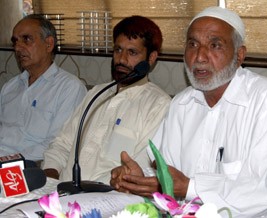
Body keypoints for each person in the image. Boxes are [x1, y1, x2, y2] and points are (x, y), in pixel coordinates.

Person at [110, 7, 267, 217]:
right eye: (192, 44)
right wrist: (141, 180)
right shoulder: (182, 105)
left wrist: (190, 187)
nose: (199, 56)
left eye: (214, 45)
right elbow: (169, 172)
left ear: (239, 56)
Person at [41, 15, 171, 185]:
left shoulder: (159, 105)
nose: (121, 59)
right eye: (118, 50)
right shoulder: (96, 93)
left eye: (132, 52)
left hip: (107, 200)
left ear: (151, 58)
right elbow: (62, 144)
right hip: (60, 192)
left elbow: (139, 169)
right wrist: (49, 180)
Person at [0, 14, 87, 161]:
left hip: (29, 166)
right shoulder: (10, 87)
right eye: (15, 42)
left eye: (26, 39)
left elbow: (57, 145)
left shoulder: (69, 88)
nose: (18, 48)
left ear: (49, 44)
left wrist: (11, 160)